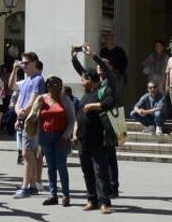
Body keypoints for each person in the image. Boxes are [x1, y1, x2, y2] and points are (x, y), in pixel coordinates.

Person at [74, 69, 115, 214]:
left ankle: (104, 202)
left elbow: (109, 103)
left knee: (100, 171)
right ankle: (92, 200)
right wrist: (74, 133)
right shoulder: (85, 96)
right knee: (87, 171)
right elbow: (78, 115)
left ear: (90, 79)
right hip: (82, 139)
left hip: (98, 139)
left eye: (83, 79)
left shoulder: (103, 91)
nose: (81, 82)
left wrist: (93, 106)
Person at [33, 77, 75, 206]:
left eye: (56, 84)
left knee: (61, 166)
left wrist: (66, 136)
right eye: (50, 84)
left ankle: (66, 195)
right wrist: (37, 103)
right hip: (45, 136)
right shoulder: (42, 98)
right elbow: (35, 116)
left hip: (60, 137)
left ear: (60, 86)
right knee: (51, 167)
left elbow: (72, 120)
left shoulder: (65, 99)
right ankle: (53, 195)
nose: (53, 87)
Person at [11, 52, 45, 198]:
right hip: (25, 119)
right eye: (22, 63)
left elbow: (35, 99)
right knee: (28, 152)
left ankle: (27, 186)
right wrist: (18, 112)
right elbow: (19, 99)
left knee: (27, 152)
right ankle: (31, 184)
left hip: (33, 120)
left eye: (25, 63)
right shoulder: (26, 80)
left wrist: (23, 112)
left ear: (33, 62)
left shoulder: (38, 79)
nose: (23, 65)